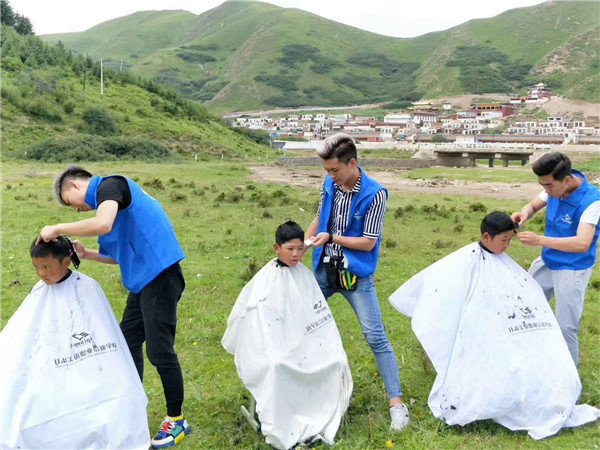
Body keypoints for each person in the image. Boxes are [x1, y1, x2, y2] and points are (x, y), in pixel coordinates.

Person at [388, 212, 600, 439]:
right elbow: (444, 294)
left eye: (510, 240)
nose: (508, 245)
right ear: (487, 237)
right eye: (504, 240)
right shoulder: (467, 260)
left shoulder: (507, 265)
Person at [37, 165, 189, 449]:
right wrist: (87, 254)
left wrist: (57, 227)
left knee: (159, 350)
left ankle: (177, 419)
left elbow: (103, 223)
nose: (78, 211)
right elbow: (118, 256)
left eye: (72, 203)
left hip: (160, 277)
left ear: (73, 185)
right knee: (126, 341)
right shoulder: (110, 207)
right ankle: (132, 403)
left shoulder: (110, 186)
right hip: (143, 282)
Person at [1, 237, 150, 449]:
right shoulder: (39, 292)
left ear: (66, 262)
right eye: (36, 267)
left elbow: (103, 333)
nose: (41, 273)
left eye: (47, 267)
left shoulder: (87, 287)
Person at [305, 133, 409, 431]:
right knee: (302, 325)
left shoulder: (376, 194)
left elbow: (366, 242)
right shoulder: (330, 184)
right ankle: (304, 392)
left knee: (375, 336)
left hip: (354, 273)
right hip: (323, 269)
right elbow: (319, 217)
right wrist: (304, 240)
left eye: (334, 170)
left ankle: (397, 404)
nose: (330, 176)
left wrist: (330, 238)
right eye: (327, 171)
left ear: (352, 163)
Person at [222, 221, 352, 449]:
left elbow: (315, 317)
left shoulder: (305, 276)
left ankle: (314, 408)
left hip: (304, 341)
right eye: (289, 249)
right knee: (278, 365)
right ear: (277, 248)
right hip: (273, 345)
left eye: (300, 249)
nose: (295, 254)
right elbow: (262, 325)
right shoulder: (266, 281)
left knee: (335, 358)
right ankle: (285, 420)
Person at [511, 152, 600, 366]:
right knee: (521, 304)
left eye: (548, 186)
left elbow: (582, 243)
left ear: (566, 180)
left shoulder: (592, 201)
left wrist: (539, 239)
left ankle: (568, 383)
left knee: (565, 327)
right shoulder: (553, 187)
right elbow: (532, 206)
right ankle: (527, 359)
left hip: (572, 268)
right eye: (543, 186)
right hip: (548, 261)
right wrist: (524, 214)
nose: (546, 191)